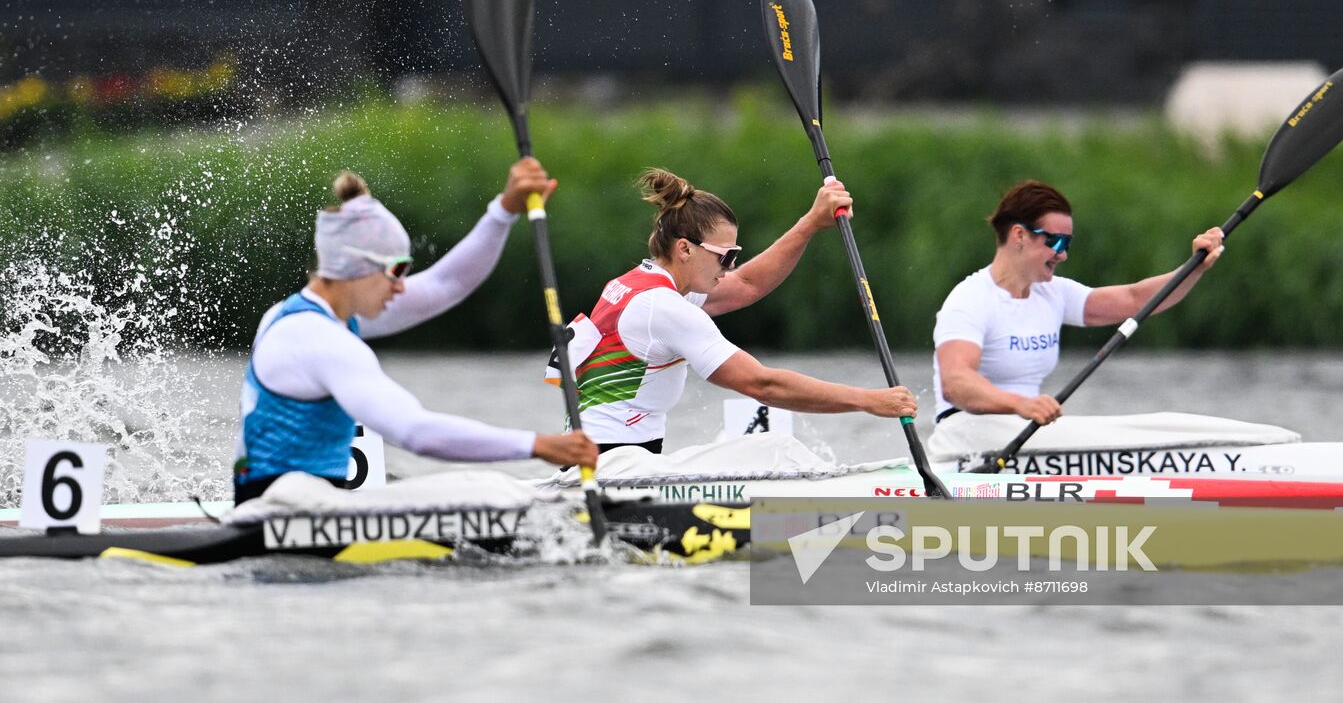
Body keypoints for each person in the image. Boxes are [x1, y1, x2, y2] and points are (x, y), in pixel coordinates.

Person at [233, 160, 597, 504]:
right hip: (283, 511)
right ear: (356, 267)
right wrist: (538, 445)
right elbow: (414, 432)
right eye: (396, 270)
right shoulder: (319, 340)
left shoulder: (299, 315)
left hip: (298, 503)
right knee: (478, 489)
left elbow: (446, 284)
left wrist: (503, 211)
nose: (402, 286)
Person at [548, 168, 916, 453]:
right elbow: (764, 386)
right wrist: (869, 400)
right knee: (775, 449)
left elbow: (746, 287)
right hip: (615, 464)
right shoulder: (663, 307)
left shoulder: (637, 286)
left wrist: (810, 224)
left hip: (596, 459)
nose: (729, 266)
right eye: (726, 256)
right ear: (685, 249)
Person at [931, 180, 1224, 436]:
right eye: (1055, 241)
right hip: (966, 440)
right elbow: (955, 383)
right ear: (1020, 235)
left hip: (1023, 438)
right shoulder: (970, 300)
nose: (1063, 254)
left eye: (1067, 242)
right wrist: (1020, 403)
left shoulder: (1053, 293)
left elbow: (1135, 300)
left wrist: (1194, 267)